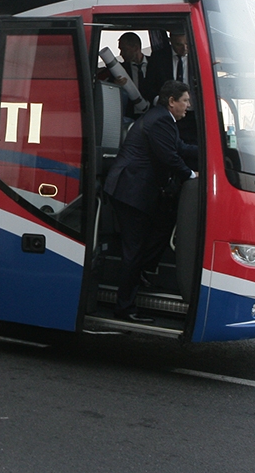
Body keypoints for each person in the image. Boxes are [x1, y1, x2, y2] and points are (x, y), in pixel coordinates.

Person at [103, 80, 198, 322]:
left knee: (163, 224)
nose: (188, 106)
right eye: (185, 101)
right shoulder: (161, 120)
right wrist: (191, 175)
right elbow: (169, 156)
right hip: (130, 190)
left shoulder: (162, 118)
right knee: (133, 250)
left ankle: (141, 272)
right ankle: (125, 307)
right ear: (172, 101)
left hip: (136, 190)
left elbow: (179, 147)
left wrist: (212, 150)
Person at [147, 29, 196, 143]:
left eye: (187, 44)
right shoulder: (158, 57)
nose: (184, 48)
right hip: (167, 114)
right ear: (171, 41)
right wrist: (161, 102)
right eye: (179, 44)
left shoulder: (198, 57)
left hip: (193, 116)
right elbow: (148, 86)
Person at [114, 32, 156, 118]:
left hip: (153, 113)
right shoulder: (121, 70)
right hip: (130, 115)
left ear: (136, 48)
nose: (121, 54)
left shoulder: (156, 64)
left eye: (124, 49)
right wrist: (116, 86)